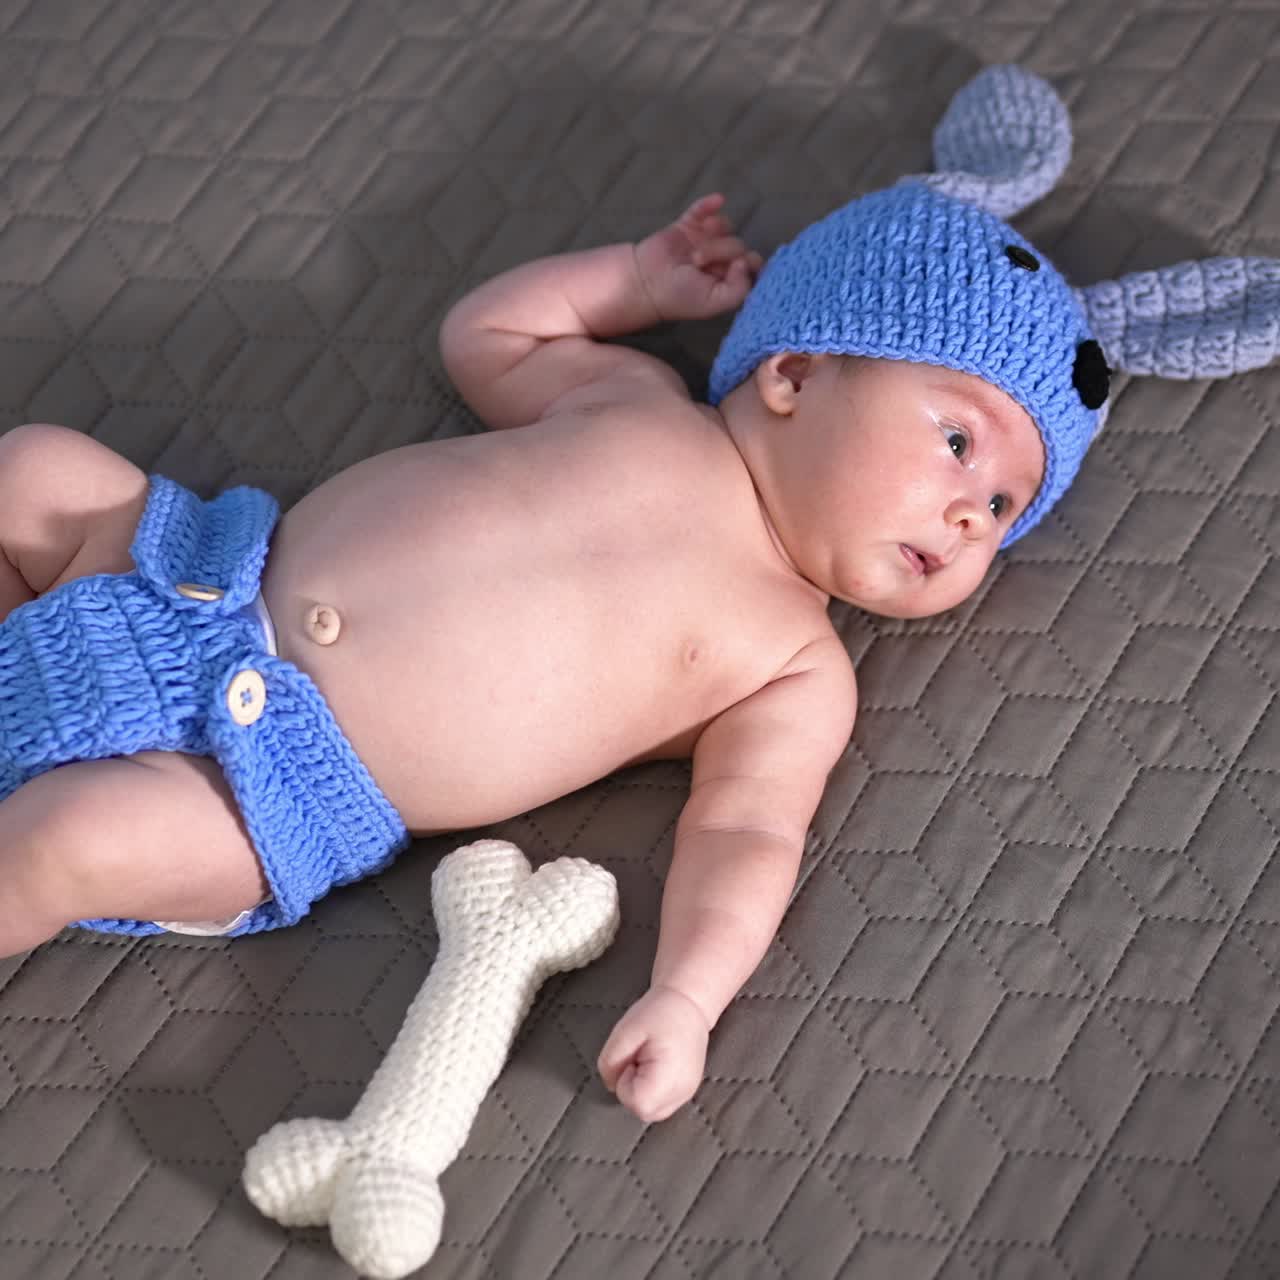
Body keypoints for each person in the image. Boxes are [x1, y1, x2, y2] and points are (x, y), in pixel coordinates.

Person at [1, 66, 1270, 1124]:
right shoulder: (629, 399)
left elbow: (745, 835)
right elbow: (486, 338)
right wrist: (637, 281)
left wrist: (687, 996)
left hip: (274, 788)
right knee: (35, 471)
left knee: (69, 836)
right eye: (957, 443)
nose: (970, 512)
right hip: (204, 570)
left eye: (1003, 506)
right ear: (792, 371)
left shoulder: (789, 662)